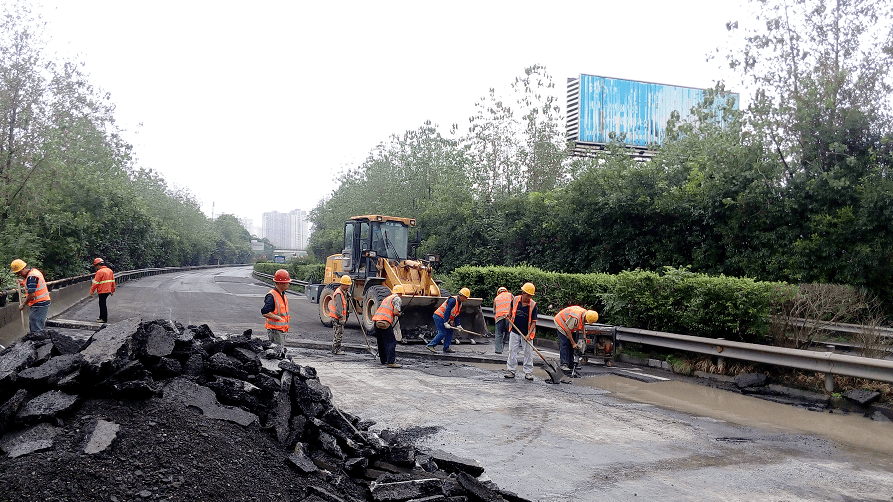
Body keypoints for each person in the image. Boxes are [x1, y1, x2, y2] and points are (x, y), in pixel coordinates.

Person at [505, 282, 538, 380]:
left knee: (528, 352)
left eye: (530, 296)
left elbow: (533, 322)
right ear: (523, 293)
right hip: (515, 330)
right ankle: (511, 370)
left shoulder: (533, 305)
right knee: (512, 351)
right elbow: (510, 311)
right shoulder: (515, 300)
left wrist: (528, 334)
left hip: (527, 333)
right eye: (528, 295)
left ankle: (528, 372)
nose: (529, 297)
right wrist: (508, 315)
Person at [10, 259, 52, 335]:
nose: (19, 275)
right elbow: (31, 284)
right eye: (17, 274)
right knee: (35, 323)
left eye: (19, 273)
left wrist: (23, 304)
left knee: (36, 325)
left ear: (23, 268)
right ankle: (37, 340)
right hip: (42, 302)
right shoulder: (34, 272)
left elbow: (31, 295)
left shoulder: (31, 277)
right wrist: (22, 282)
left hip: (39, 303)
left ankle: (38, 342)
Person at [555, 306, 599, 371]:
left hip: (568, 325)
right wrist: (573, 343)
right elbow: (567, 330)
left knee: (570, 344)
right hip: (561, 323)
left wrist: (584, 337)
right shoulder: (575, 318)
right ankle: (564, 364)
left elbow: (583, 324)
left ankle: (570, 364)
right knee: (565, 343)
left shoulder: (585, 314)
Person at [426, 287, 470, 354]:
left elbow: (456, 315)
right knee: (442, 332)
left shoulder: (459, 303)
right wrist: (445, 322)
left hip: (445, 318)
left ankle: (446, 348)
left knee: (450, 332)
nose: (466, 299)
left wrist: (458, 325)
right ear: (462, 296)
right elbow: (447, 311)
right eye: (466, 297)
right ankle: (431, 345)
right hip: (439, 316)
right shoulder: (452, 300)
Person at [372, 285, 404, 368]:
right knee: (391, 342)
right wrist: (401, 314)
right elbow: (396, 312)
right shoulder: (397, 298)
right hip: (385, 322)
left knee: (381, 341)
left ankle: (383, 360)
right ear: (400, 293)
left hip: (377, 321)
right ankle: (391, 362)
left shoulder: (387, 298)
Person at [261, 269, 291, 345]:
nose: (288, 284)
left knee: (279, 351)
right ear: (280, 283)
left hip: (280, 330)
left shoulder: (282, 294)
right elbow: (265, 312)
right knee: (277, 352)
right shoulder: (272, 296)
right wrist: (278, 318)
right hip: (275, 331)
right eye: (286, 283)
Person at [328, 275, 352, 355]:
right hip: (337, 317)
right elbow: (339, 308)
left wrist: (347, 295)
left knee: (339, 333)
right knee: (338, 333)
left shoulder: (343, 292)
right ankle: (336, 350)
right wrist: (341, 317)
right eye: (347, 285)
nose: (349, 286)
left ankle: (336, 349)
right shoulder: (338, 293)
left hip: (339, 317)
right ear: (343, 284)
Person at [89, 258, 115, 323]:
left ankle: (104, 318)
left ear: (98, 265)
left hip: (102, 291)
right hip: (108, 291)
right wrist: (112, 290)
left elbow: (95, 283)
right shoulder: (109, 270)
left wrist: (91, 291)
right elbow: (113, 282)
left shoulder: (99, 272)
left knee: (102, 304)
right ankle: (101, 317)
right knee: (102, 303)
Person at [493, 286, 513, 354]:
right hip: (508, 317)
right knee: (510, 333)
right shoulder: (510, 295)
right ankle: (512, 350)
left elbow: (495, 310)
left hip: (499, 318)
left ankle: (498, 350)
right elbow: (514, 306)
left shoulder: (496, 298)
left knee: (499, 334)